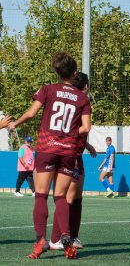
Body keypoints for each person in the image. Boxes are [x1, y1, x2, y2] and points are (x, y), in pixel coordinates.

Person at [8, 51, 91, 259]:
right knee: (61, 196)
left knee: (42, 195)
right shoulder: (82, 98)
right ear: (74, 73)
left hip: (46, 148)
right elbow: (86, 126)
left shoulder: (47, 90)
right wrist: (70, 134)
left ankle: (39, 242)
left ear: (57, 71)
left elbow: (32, 113)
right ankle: (65, 238)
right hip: (68, 151)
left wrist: (15, 123)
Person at [49, 72, 97, 250]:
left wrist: (87, 145)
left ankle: (73, 236)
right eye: (87, 86)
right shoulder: (79, 101)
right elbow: (75, 128)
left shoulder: (79, 102)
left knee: (76, 196)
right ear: (85, 87)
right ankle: (57, 239)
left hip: (76, 153)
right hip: (69, 154)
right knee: (67, 196)